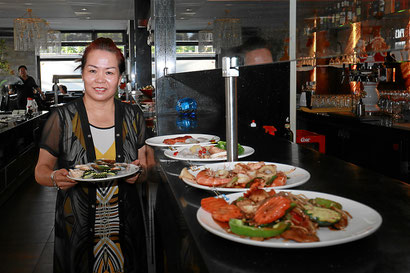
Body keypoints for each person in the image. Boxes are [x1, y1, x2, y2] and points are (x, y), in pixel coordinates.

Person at [34, 37, 148, 273]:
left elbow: (144, 166)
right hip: (76, 228)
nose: (100, 80)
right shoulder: (62, 118)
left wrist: (140, 173)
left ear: (120, 77)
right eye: (93, 70)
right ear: (83, 73)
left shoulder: (133, 116)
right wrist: (55, 177)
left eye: (109, 72)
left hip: (125, 229)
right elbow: (40, 170)